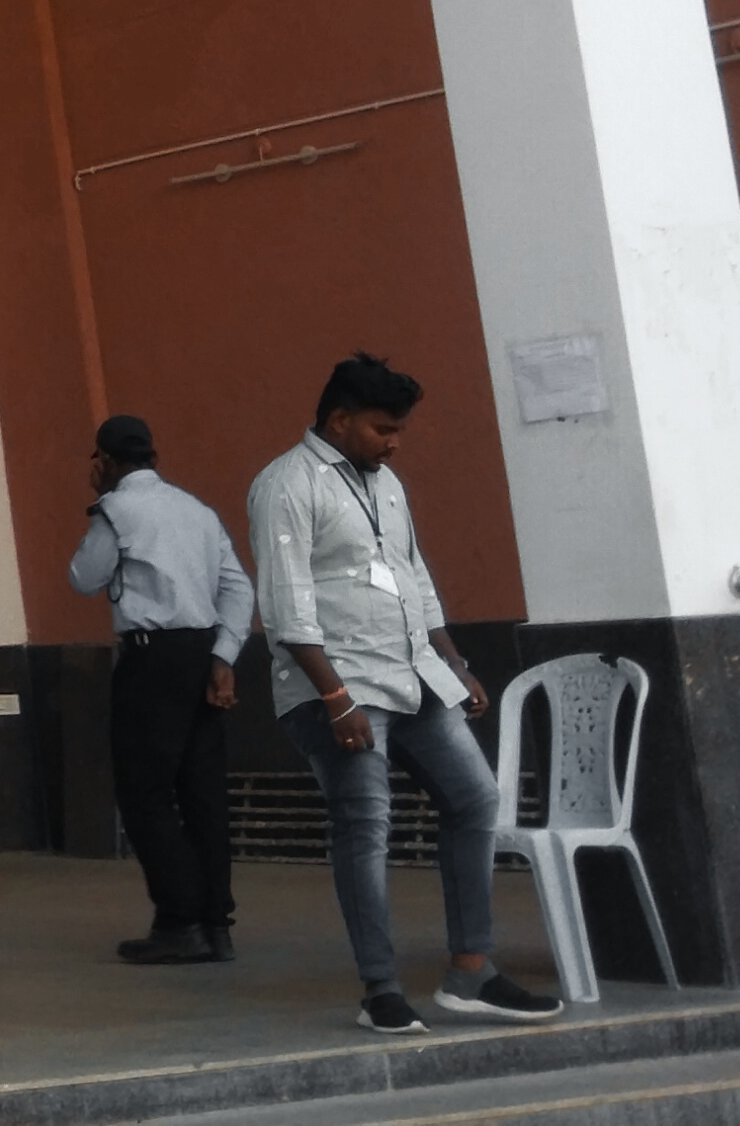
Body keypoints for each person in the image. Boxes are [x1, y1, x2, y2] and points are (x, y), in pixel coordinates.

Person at [249, 354, 564, 1033]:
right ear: (340, 419)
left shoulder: (386, 482)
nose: (394, 443)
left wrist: (453, 662)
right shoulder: (286, 484)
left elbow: (412, 576)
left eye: (398, 430)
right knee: (366, 825)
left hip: (414, 675)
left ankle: (471, 973)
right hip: (338, 685)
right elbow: (284, 606)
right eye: (383, 429)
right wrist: (336, 699)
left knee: (475, 799)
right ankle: (381, 991)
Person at [68, 412, 250, 964]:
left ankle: (179, 920)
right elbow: (238, 589)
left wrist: (102, 504)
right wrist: (223, 656)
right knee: (202, 794)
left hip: (151, 661)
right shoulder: (197, 510)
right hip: (202, 654)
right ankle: (216, 924)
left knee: (145, 793)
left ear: (105, 461)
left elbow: (84, 578)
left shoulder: (117, 510)